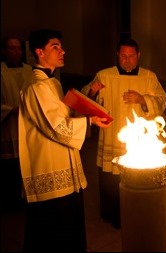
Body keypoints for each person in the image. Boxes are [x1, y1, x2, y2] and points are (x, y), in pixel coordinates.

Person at [18, 29, 110, 252]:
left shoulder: (54, 84)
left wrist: (86, 109)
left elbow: (65, 117)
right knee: (53, 228)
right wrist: (89, 122)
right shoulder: (37, 86)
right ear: (39, 52)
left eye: (61, 46)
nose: (62, 51)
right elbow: (56, 127)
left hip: (64, 160)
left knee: (69, 222)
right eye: (55, 47)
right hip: (49, 165)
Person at [81, 37, 166, 229]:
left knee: (136, 178)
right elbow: (85, 100)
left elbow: (162, 101)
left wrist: (142, 99)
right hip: (111, 135)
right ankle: (113, 216)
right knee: (111, 180)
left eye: (131, 56)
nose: (127, 60)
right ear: (117, 55)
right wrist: (93, 93)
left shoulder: (149, 77)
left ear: (138, 56)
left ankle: (137, 215)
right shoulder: (104, 76)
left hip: (139, 140)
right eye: (123, 56)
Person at [1, 36, 32, 212]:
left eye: (19, 48)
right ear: (4, 51)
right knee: (9, 169)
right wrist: (9, 110)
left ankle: (25, 199)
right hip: (8, 127)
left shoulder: (29, 71)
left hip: (26, 125)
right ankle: (10, 203)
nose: (16, 52)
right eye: (12, 48)